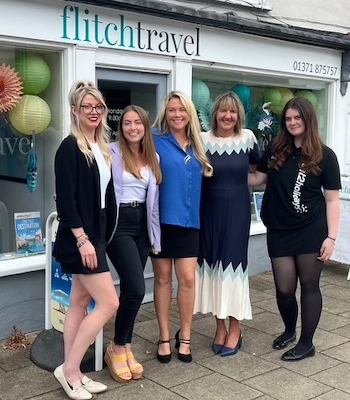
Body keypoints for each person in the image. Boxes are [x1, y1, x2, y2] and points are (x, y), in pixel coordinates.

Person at [249, 96, 340, 361]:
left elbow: (332, 200)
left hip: (311, 230)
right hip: (279, 229)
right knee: (284, 289)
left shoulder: (325, 155)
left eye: (297, 118)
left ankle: (306, 343)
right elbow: (258, 177)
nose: (292, 123)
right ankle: (289, 329)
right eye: (288, 119)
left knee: (309, 285)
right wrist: (224, 172)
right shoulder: (276, 149)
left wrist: (331, 238)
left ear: (307, 119)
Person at [52, 80, 118, 400]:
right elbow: (66, 201)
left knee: (79, 302)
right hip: (81, 237)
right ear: (75, 111)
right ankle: (69, 370)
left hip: (97, 233)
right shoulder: (70, 147)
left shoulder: (102, 146)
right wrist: (82, 239)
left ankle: (74, 371)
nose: (93, 112)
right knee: (109, 303)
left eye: (98, 107)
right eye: (86, 107)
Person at [194, 92, 259, 356]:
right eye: (223, 111)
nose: (227, 116)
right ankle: (219, 326)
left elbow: (257, 170)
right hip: (208, 212)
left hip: (237, 213)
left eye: (233, 112)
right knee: (213, 268)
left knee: (233, 269)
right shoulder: (201, 140)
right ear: (215, 114)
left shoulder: (248, 138)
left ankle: (235, 328)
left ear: (238, 115)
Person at [151, 91, 213, 363]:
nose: (177, 114)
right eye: (172, 109)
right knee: (163, 279)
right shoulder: (153, 139)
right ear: (165, 113)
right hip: (161, 222)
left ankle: (185, 336)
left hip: (190, 223)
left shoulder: (199, 144)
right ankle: (164, 336)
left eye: (182, 110)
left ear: (190, 113)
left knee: (187, 279)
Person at [105, 105, 162, 382]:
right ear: (121, 127)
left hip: (142, 225)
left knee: (130, 289)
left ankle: (125, 347)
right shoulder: (110, 152)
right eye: (127, 123)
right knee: (138, 289)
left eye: (137, 123)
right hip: (119, 224)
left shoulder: (152, 156)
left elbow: (154, 205)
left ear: (145, 126)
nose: (132, 128)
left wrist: (155, 238)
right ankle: (116, 347)